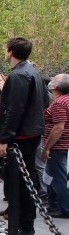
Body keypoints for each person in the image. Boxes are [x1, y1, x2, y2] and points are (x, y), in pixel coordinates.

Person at [0, 37, 47, 235]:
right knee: (27, 179)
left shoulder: (19, 75)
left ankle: (23, 225)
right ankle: (22, 223)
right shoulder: (33, 72)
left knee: (21, 181)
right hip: (31, 130)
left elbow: (14, 109)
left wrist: (4, 138)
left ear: (10, 51)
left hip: (22, 134)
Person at [42, 74, 69, 218]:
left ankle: (64, 207)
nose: (51, 79)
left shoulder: (59, 103)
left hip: (58, 146)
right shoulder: (64, 101)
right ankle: (54, 205)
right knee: (51, 176)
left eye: (54, 79)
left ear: (56, 87)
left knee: (58, 178)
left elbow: (59, 127)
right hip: (61, 145)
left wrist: (47, 147)